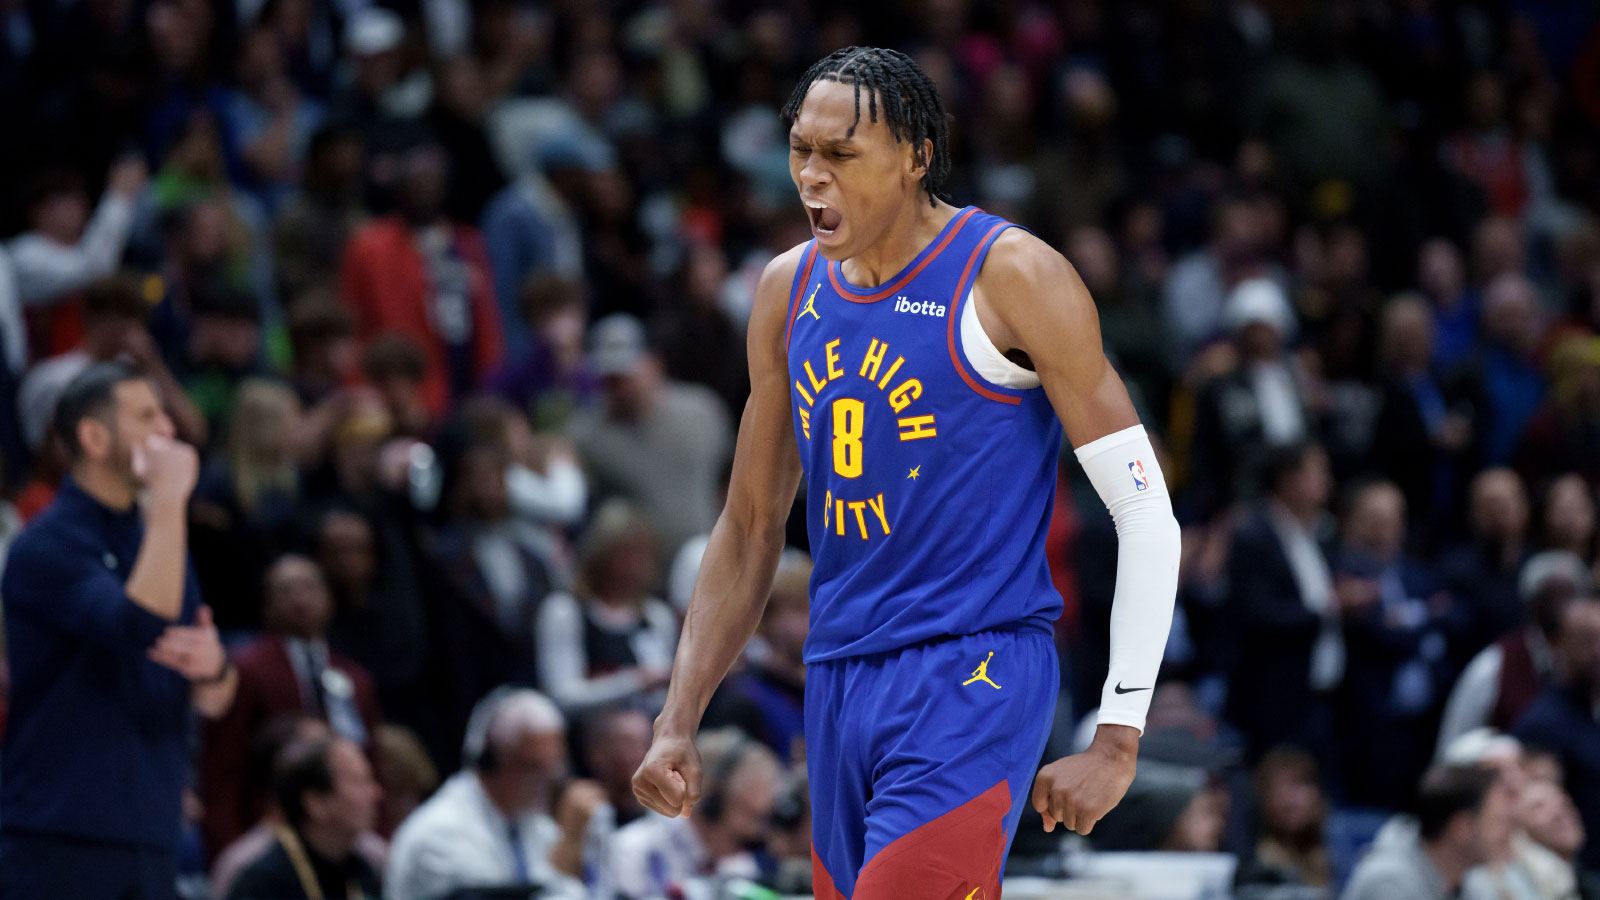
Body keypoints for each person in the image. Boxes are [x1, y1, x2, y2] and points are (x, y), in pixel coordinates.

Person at [632, 47, 1180, 900]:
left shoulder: (1012, 276)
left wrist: (1118, 738)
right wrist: (678, 718)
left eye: (841, 156)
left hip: (974, 670)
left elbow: (1146, 514)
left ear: (917, 155)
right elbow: (748, 528)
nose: (812, 178)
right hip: (840, 678)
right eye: (800, 151)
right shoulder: (786, 291)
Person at [0, 361, 237, 900]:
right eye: (148, 417)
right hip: (60, 840)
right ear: (94, 437)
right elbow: (138, 623)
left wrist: (217, 668)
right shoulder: (47, 545)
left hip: (151, 833)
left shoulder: (159, 541)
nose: (169, 431)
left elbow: (215, 694)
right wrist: (170, 499)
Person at [202, 554, 383, 858]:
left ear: (329, 598)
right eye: (285, 591)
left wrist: (379, 833)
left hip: (348, 835)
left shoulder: (356, 678)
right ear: (267, 604)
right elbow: (223, 767)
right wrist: (227, 845)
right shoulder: (246, 670)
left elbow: (373, 763)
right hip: (270, 831)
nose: (298, 598)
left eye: (309, 587)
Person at [384, 688, 607, 900]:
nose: (546, 783)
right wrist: (569, 843)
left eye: (553, 769)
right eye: (534, 768)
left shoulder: (532, 824)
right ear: (492, 759)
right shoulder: (440, 833)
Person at [611, 728, 782, 899]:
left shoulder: (739, 865)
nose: (758, 834)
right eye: (750, 815)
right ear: (712, 802)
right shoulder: (634, 850)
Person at [227, 736, 383, 900]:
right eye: (358, 781)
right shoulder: (263, 884)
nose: (376, 793)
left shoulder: (363, 872)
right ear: (316, 803)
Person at [1512, 596, 1600, 871]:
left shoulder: (1592, 709)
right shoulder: (1541, 725)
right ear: (1556, 643)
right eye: (1587, 639)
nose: (1599, 650)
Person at [1340, 765, 1514, 900]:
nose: (1508, 834)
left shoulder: (1471, 884)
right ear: (1461, 827)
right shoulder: (1389, 884)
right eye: (1498, 822)